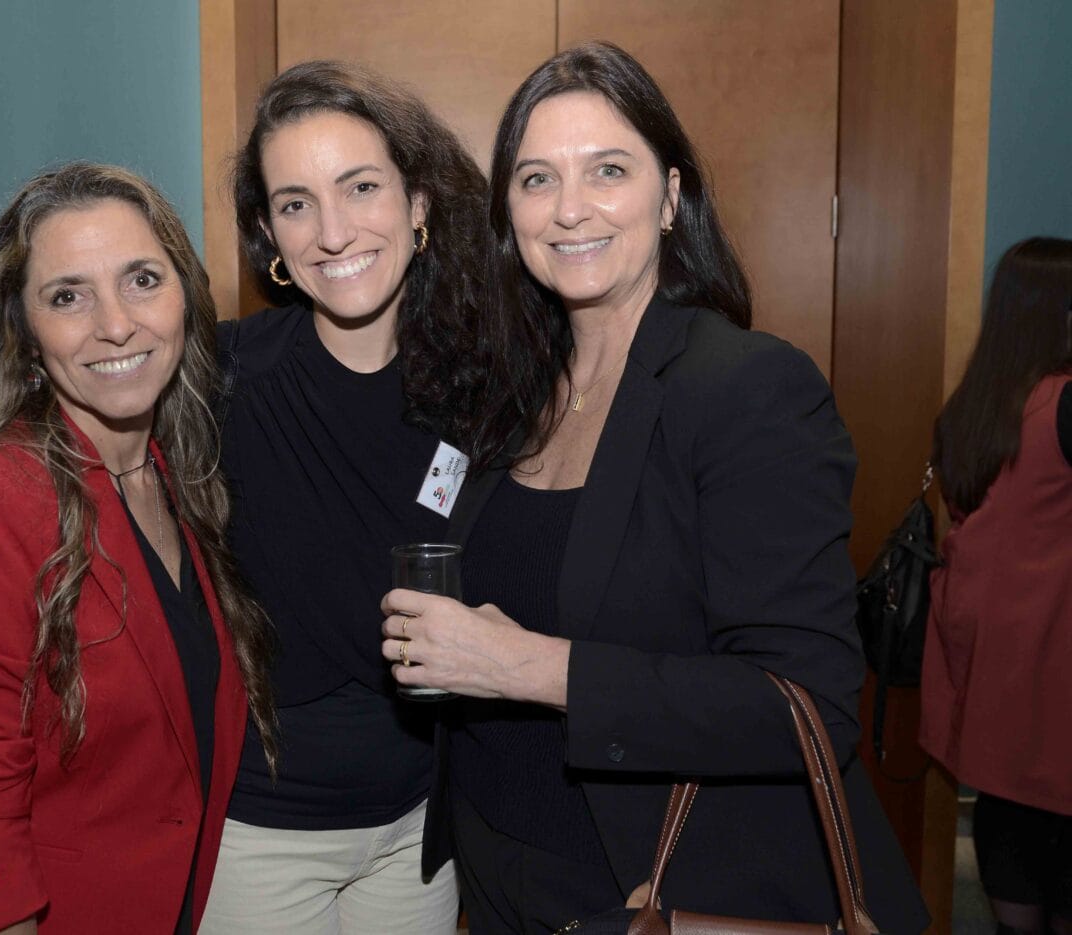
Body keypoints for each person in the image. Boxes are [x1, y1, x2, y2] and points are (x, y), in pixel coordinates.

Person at [378, 41, 929, 933]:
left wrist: (528, 667)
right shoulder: (510, 392)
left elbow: (809, 705)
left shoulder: (747, 388)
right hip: (494, 871)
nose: (570, 209)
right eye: (536, 179)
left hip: (652, 888)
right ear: (508, 211)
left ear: (671, 196)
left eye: (608, 170)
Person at [0, 162, 277, 935]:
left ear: (185, 298)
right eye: (68, 296)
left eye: (142, 280)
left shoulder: (175, 478)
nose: (116, 324)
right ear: (25, 337)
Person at [198, 61, 488, 934]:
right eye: (296, 204)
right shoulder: (219, 377)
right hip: (264, 832)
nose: (332, 232)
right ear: (268, 234)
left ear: (418, 203)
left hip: (420, 829)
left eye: (361, 187)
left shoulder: (485, 382)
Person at [922, 238, 1072, 935]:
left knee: (1007, 799)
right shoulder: (1063, 402)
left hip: (991, 648)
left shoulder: (972, 404)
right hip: (1055, 647)